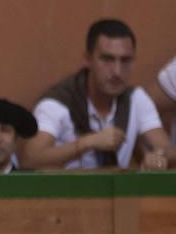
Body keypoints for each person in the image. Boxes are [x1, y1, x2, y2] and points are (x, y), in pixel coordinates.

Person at [20, 18, 174, 171]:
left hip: (118, 193)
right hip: (67, 193)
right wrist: (88, 142)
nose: (117, 72)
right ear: (88, 59)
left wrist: (158, 157)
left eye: (125, 60)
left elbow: (166, 149)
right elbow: (30, 159)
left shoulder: (136, 99)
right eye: (107, 59)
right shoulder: (58, 103)